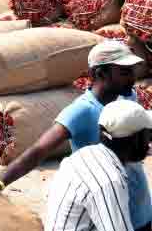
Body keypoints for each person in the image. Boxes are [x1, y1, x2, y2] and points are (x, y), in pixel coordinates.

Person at [0, 41, 152, 230]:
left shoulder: (127, 98)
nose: (132, 78)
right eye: (125, 73)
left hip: (137, 196)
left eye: (132, 71)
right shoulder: (81, 111)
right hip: (106, 197)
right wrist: (1, 181)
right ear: (100, 74)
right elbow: (39, 150)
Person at [43, 99, 150, 231]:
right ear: (135, 140)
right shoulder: (110, 181)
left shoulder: (84, 155)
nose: (149, 142)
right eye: (147, 135)